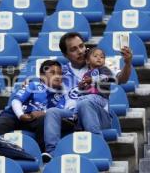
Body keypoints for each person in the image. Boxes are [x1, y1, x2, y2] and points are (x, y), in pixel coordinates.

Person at [43, 32, 132, 160]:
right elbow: (42, 83)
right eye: (74, 49)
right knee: (52, 112)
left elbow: (121, 79)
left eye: (81, 46)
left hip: (98, 116)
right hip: (73, 117)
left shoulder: (98, 64)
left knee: (84, 103)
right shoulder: (62, 72)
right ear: (65, 55)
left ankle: (99, 148)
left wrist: (128, 63)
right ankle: (53, 152)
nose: (80, 51)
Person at [0, 60, 67, 151]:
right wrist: (21, 115)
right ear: (42, 76)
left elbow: (57, 112)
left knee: (46, 121)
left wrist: (43, 113)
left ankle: (43, 153)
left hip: (35, 119)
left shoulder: (61, 96)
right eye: (52, 72)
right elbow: (16, 100)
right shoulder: (33, 85)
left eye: (60, 74)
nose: (57, 76)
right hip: (15, 115)